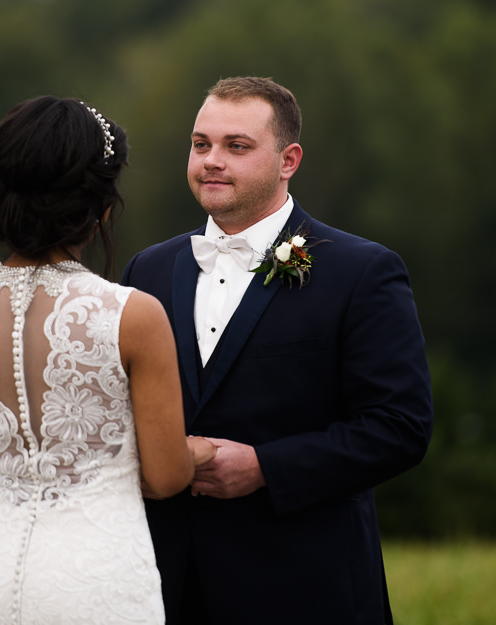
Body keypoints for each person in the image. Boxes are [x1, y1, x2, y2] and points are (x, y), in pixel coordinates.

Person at [121, 76, 433, 624]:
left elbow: (400, 427)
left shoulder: (361, 271)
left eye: (236, 146)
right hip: (168, 584)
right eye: (201, 145)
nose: (212, 160)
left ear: (288, 160)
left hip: (305, 584)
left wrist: (267, 466)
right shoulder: (146, 269)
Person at [0, 96, 195, 625]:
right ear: (102, 208)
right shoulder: (133, 316)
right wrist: (202, 453)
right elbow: (166, 477)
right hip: (97, 579)